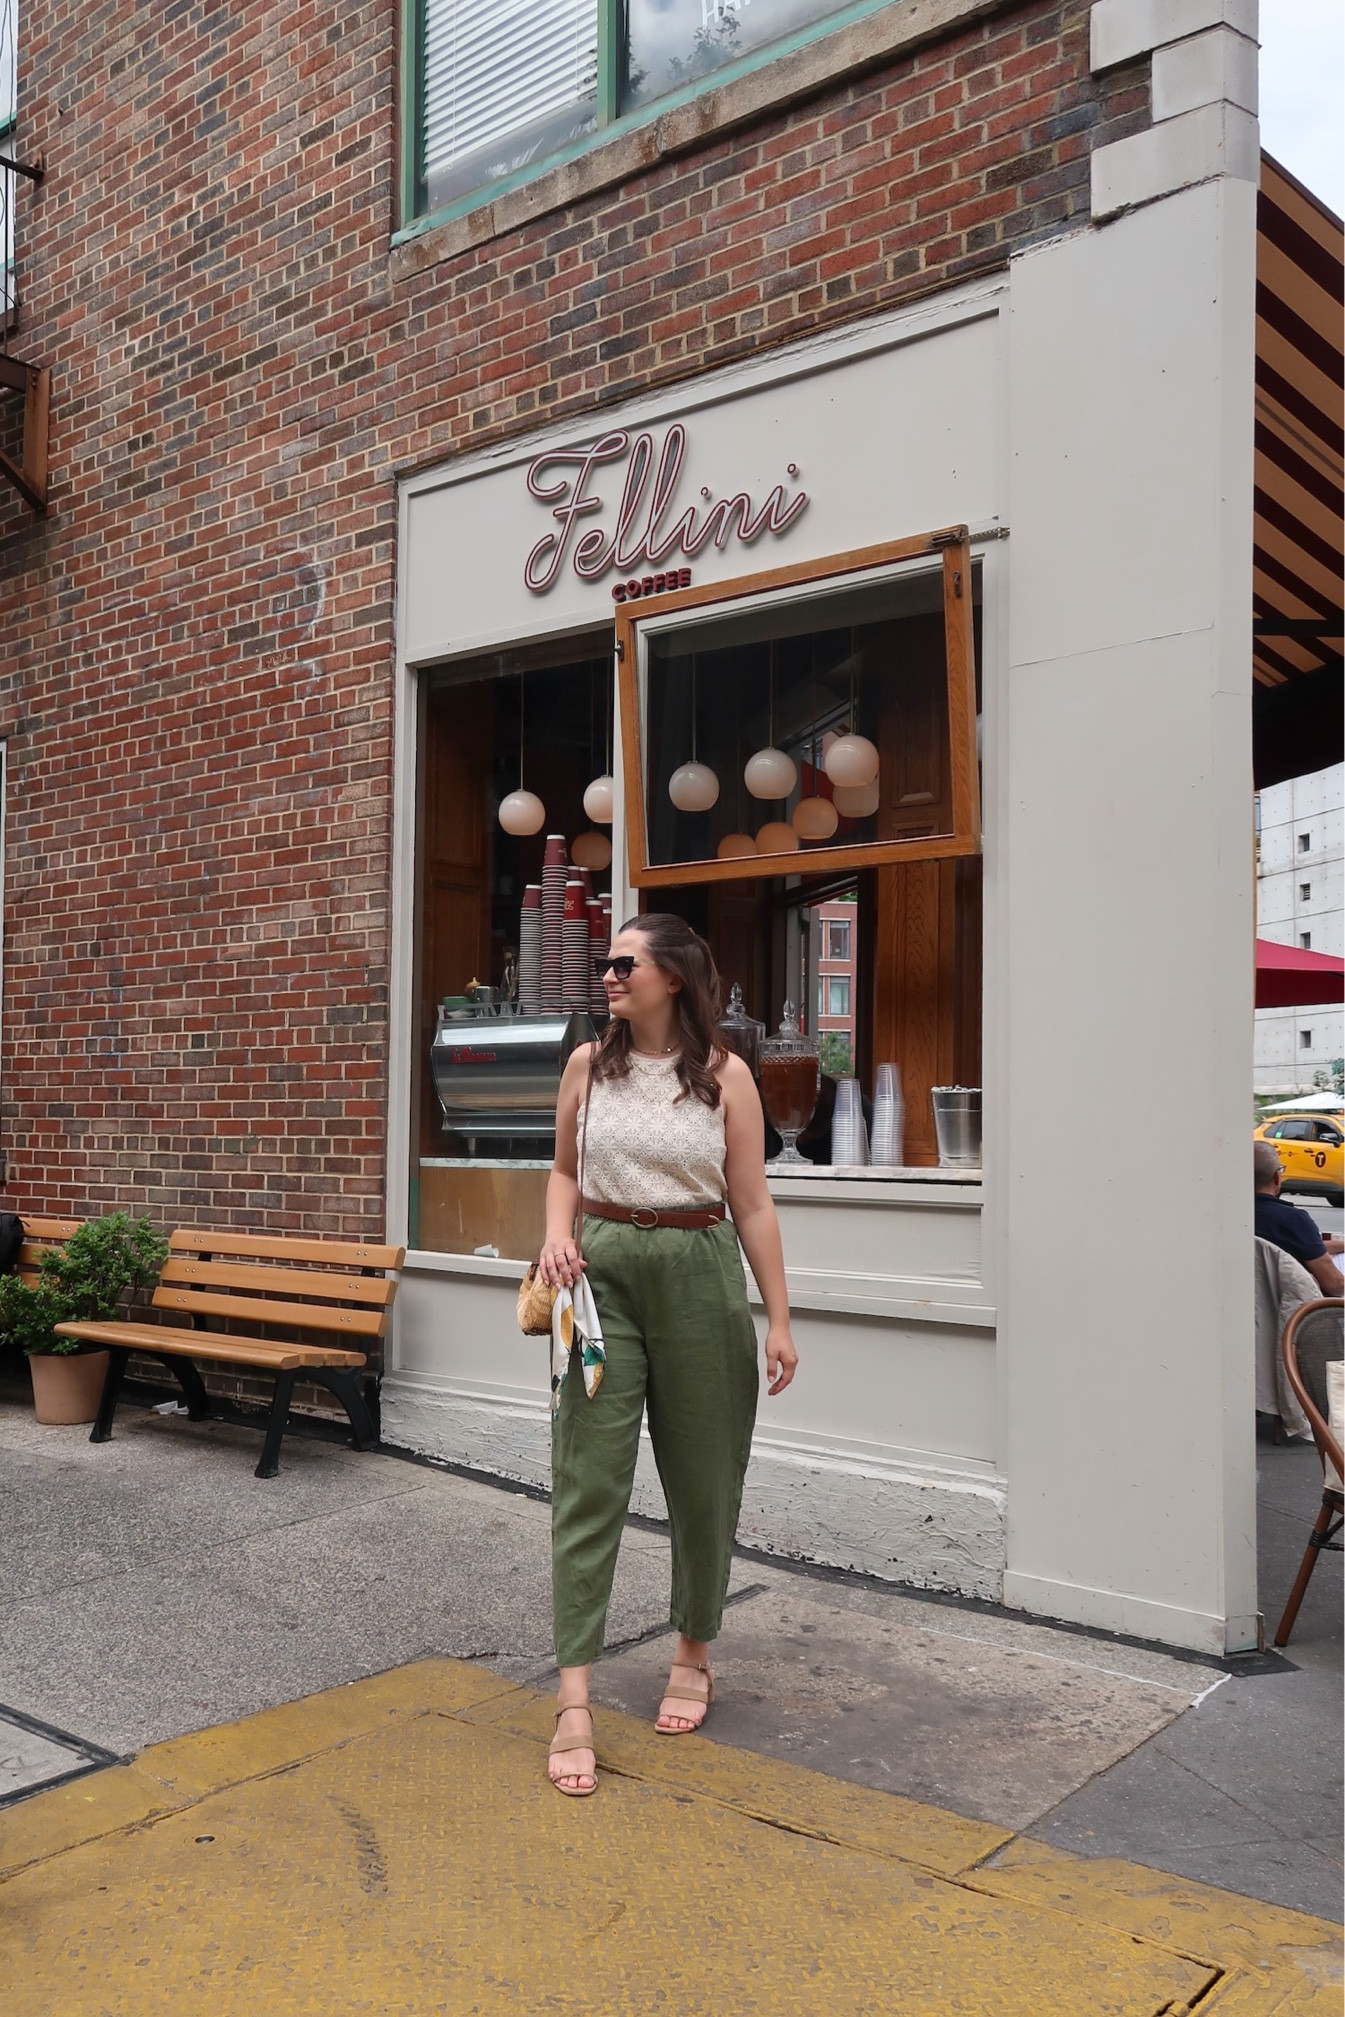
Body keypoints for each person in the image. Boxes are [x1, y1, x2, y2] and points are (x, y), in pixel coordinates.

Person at [536, 912, 799, 1796]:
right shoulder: (586, 1065)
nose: (607, 976)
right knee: (588, 1474)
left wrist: (779, 1317)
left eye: (623, 964)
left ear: (674, 978)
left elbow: (752, 1201)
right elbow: (564, 1170)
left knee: (701, 1473)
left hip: (699, 1271)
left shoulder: (727, 1077)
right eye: (607, 963)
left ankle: (693, 1647)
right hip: (601, 1275)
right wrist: (554, 1238)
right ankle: (574, 1692)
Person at [1254, 1140, 1344, 1297]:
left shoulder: (1227, 1219)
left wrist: (1337, 1245)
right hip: (1293, 1317)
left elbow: (1287, 1248)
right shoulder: (1292, 1221)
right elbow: (1335, 1285)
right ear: (1277, 1178)